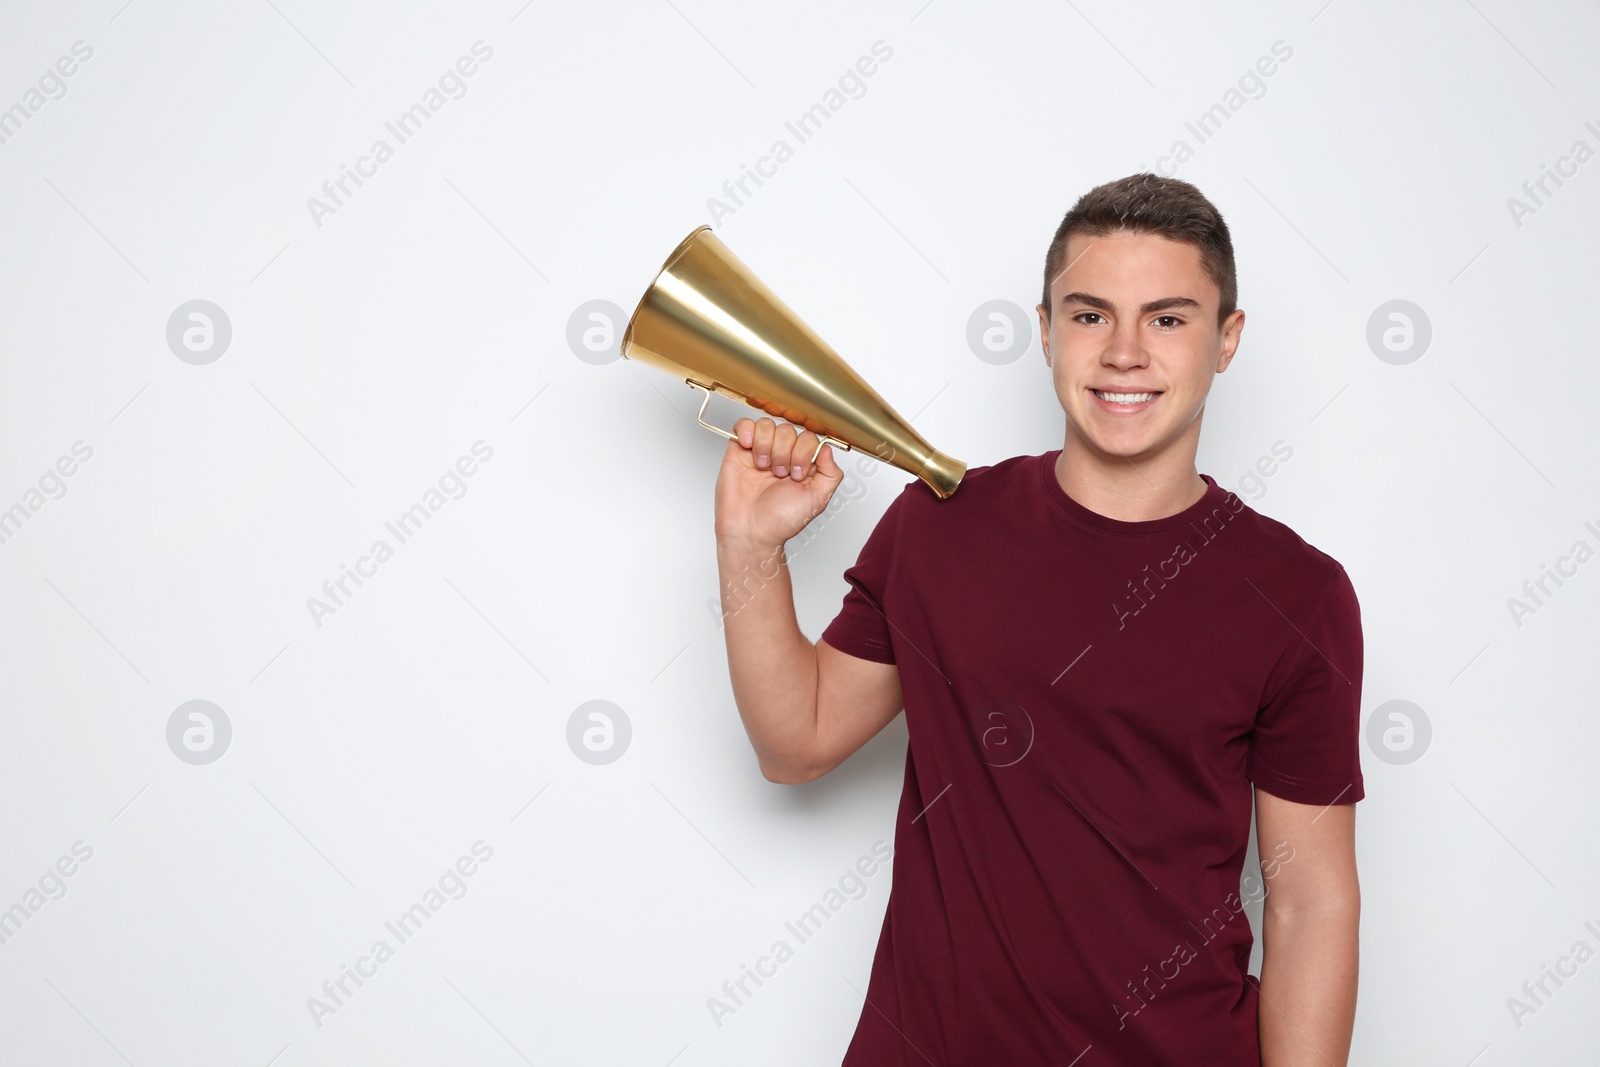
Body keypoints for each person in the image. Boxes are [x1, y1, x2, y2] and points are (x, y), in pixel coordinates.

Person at [712, 172, 1362, 1066]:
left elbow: (1311, 901)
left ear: (1227, 340)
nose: (1124, 352)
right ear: (1047, 331)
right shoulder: (938, 525)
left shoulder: (1298, 593)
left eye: (1168, 318)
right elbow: (798, 743)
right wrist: (751, 547)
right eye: (1091, 315)